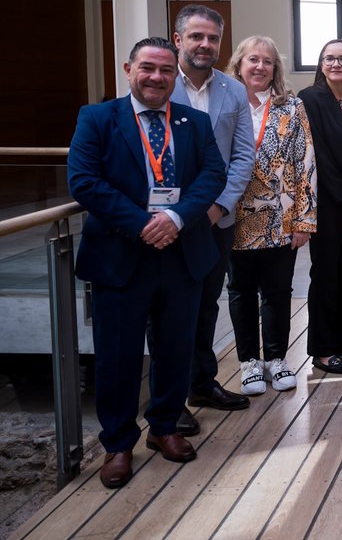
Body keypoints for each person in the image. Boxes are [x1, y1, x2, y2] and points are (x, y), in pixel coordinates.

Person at [68, 37, 226, 488]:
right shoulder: (96, 118)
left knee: (176, 347)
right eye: (147, 68)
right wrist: (144, 223)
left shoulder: (193, 122)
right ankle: (118, 444)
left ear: (175, 75)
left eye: (165, 70)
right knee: (117, 356)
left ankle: (163, 427)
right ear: (128, 69)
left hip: (181, 254)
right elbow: (84, 182)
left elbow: (212, 175)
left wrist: (174, 217)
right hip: (121, 257)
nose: (156, 77)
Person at [169, 5, 254, 434]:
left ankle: (202, 384)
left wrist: (219, 205)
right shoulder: (160, 83)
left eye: (213, 39)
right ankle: (171, 397)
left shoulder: (233, 90)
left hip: (216, 218)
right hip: (167, 220)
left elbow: (243, 155)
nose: (205, 45)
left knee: (206, 304)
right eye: (197, 37)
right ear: (178, 38)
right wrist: (180, 212)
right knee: (167, 309)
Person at [226, 37, 317, 395]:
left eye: (267, 62)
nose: (260, 67)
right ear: (239, 64)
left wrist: (304, 221)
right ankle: (249, 362)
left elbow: (306, 164)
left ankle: (277, 359)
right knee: (240, 290)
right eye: (253, 60)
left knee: (278, 291)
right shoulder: (223, 105)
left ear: (275, 70)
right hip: (232, 216)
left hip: (281, 217)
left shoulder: (291, 108)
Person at [299, 40, 342, 375]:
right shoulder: (310, 98)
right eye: (330, 58)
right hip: (328, 201)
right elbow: (317, 153)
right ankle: (323, 349)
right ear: (321, 63)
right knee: (326, 273)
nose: (337, 63)